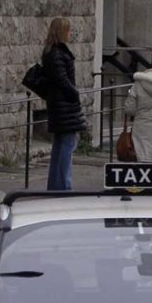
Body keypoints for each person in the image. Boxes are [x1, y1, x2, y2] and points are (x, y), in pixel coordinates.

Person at [40, 17, 87, 190]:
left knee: (60, 146)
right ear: (61, 32)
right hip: (65, 107)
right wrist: (74, 92)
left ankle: (55, 185)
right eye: (68, 30)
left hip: (59, 106)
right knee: (67, 146)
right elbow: (62, 79)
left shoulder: (50, 51)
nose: (70, 33)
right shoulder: (57, 53)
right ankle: (64, 186)